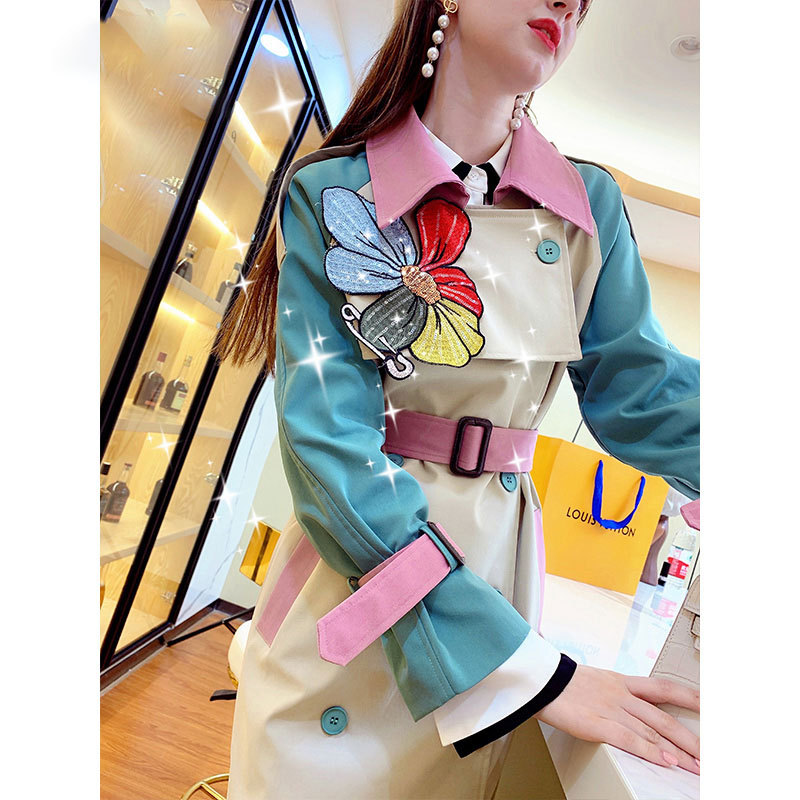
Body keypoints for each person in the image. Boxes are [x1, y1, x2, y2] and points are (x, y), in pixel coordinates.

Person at [214, 1, 701, 797]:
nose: (569, 4)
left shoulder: (587, 209)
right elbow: (329, 451)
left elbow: (644, 392)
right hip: (357, 598)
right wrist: (529, 669)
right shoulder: (331, 193)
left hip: (495, 586)